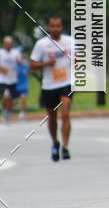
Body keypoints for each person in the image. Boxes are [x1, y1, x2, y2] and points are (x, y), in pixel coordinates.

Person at [29, 16, 73, 161]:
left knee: (65, 113)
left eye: (58, 26)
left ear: (62, 27)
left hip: (66, 83)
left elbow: (81, 58)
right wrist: (46, 64)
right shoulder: (41, 44)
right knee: (52, 117)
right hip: (49, 85)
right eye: (53, 26)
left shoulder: (70, 41)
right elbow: (32, 66)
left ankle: (65, 147)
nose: (55, 29)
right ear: (49, 27)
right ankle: (55, 142)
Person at [0, 36, 20, 123]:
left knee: (12, 100)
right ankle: (4, 112)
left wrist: (20, 62)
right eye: (6, 43)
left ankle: (7, 112)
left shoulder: (16, 52)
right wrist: (2, 69)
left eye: (9, 43)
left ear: (11, 44)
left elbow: (21, 62)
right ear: (4, 44)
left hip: (13, 79)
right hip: (3, 79)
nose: (8, 45)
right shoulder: (1, 52)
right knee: (5, 97)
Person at [15, 46, 30, 122]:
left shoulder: (26, 62)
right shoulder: (13, 62)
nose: (22, 54)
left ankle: (22, 114)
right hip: (15, 84)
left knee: (23, 99)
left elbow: (27, 71)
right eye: (21, 52)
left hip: (24, 83)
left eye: (23, 52)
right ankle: (7, 113)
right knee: (14, 102)